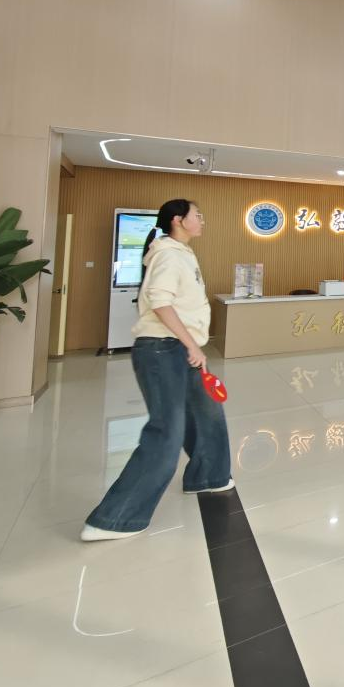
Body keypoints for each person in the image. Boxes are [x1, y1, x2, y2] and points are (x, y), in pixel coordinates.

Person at [81, 200, 232, 542]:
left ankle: (209, 476)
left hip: (183, 347)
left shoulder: (182, 253)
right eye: (197, 215)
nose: (202, 220)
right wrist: (192, 345)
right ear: (178, 220)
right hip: (164, 349)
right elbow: (161, 303)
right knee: (168, 430)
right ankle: (114, 518)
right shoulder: (167, 255)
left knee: (208, 412)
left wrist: (193, 346)